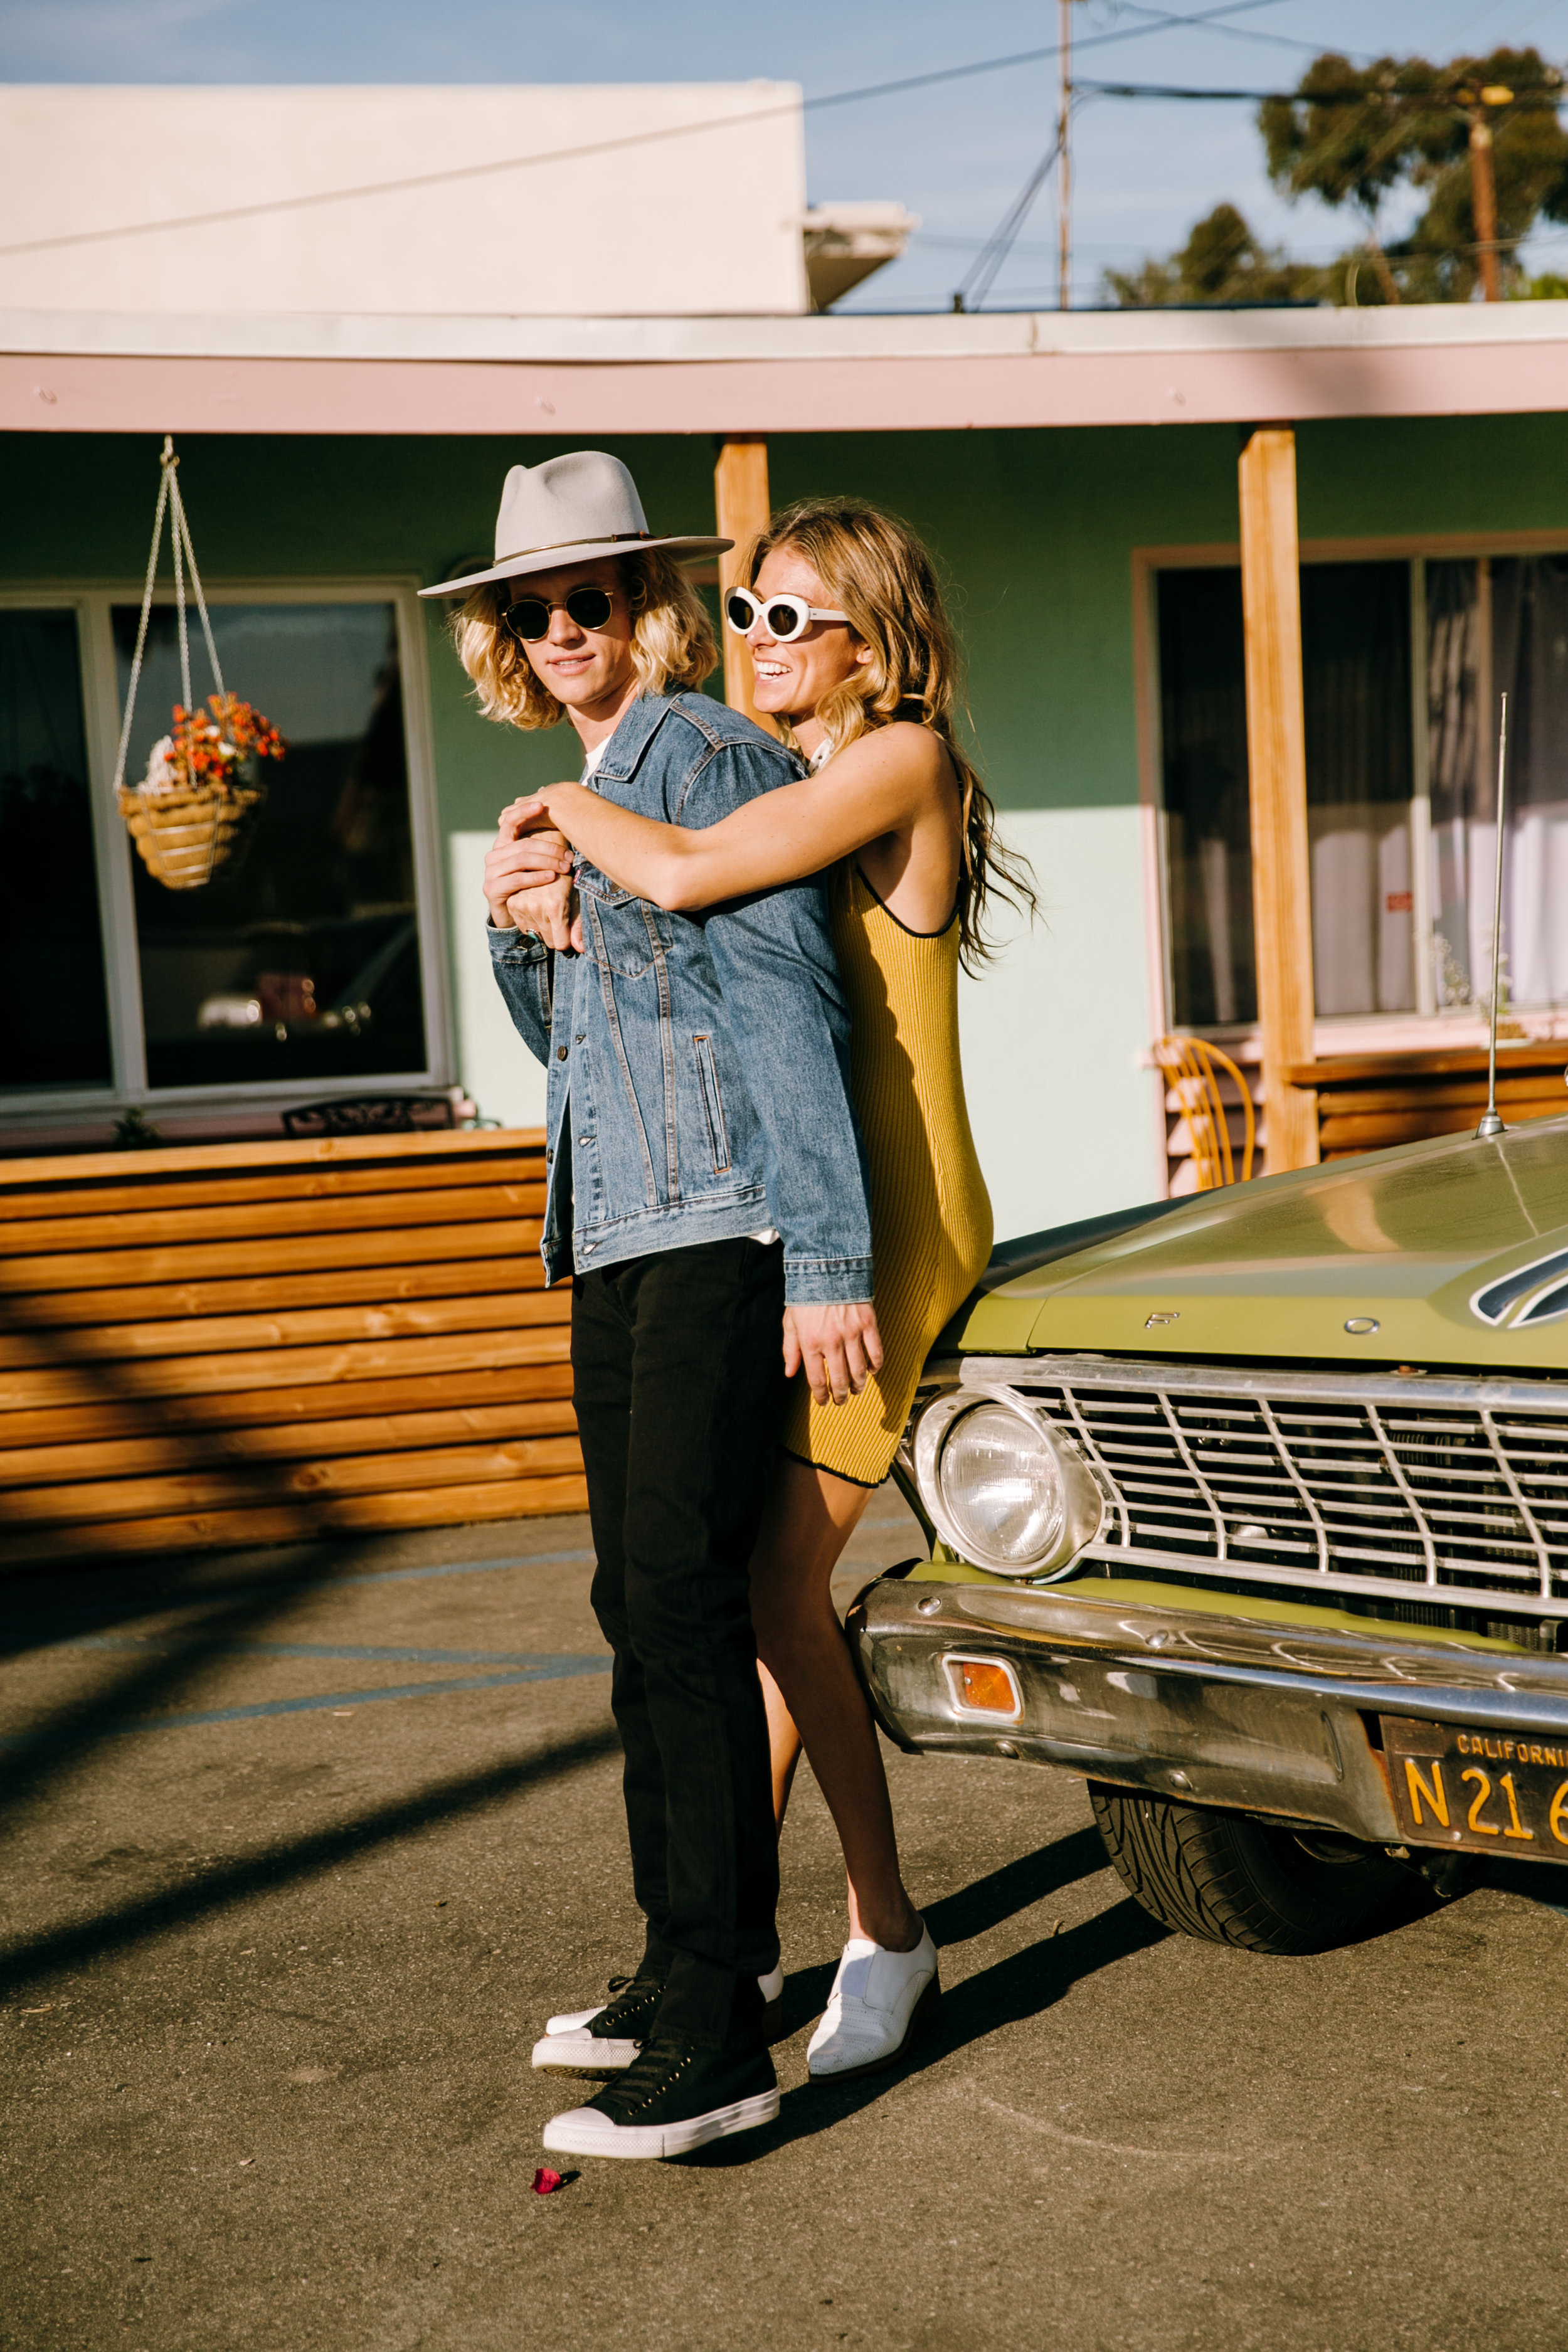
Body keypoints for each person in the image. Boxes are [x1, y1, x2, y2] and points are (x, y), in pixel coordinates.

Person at [494, 496, 1033, 2077]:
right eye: (746, 615)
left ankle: (884, 1929)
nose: (760, 646)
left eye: (793, 620)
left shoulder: (898, 759)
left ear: (877, 635)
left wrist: (561, 805)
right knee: (745, 1596)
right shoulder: (790, 767)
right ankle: (702, 1954)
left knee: (772, 1594)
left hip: (890, 1229)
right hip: (815, 1216)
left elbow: (684, 876)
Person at [425, 452, 880, 2160]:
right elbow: (585, 1070)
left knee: (685, 1609)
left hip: (714, 1231)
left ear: (647, 609)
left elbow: (783, 1013)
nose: (555, 629)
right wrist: (520, 938)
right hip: (618, 1226)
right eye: (525, 609)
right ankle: (668, 1962)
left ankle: (716, 2022)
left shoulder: (702, 755)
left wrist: (825, 1258)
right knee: (638, 1601)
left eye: (586, 601)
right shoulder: (593, 789)